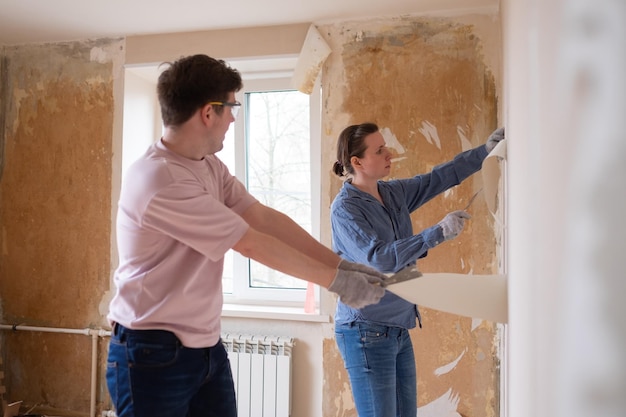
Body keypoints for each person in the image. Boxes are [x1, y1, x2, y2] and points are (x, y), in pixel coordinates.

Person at [105, 54, 389, 417]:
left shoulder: (208, 166)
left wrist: (342, 265)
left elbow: (262, 218)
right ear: (209, 112)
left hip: (204, 346)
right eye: (231, 107)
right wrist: (337, 282)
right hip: (151, 351)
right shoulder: (160, 179)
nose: (234, 117)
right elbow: (250, 242)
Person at [330, 122, 504, 417]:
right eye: (380, 150)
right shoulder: (345, 209)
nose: (390, 153)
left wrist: (484, 152)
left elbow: (437, 179)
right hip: (365, 331)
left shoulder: (393, 193)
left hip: (398, 329)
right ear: (357, 162)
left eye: (386, 146)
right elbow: (379, 257)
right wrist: (436, 233)